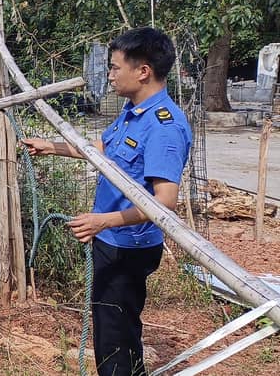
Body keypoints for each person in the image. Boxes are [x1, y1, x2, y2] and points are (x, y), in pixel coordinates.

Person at [22, 27, 192, 376]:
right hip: (110, 241)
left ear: (142, 71)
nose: (110, 75)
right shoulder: (133, 112)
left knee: (115, 337)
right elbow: (103, 152)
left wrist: (105, 221)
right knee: (115, 330)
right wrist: (52, 146)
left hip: (128, 246)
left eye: (115, 68)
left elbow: (165, 202)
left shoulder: (164, 126)